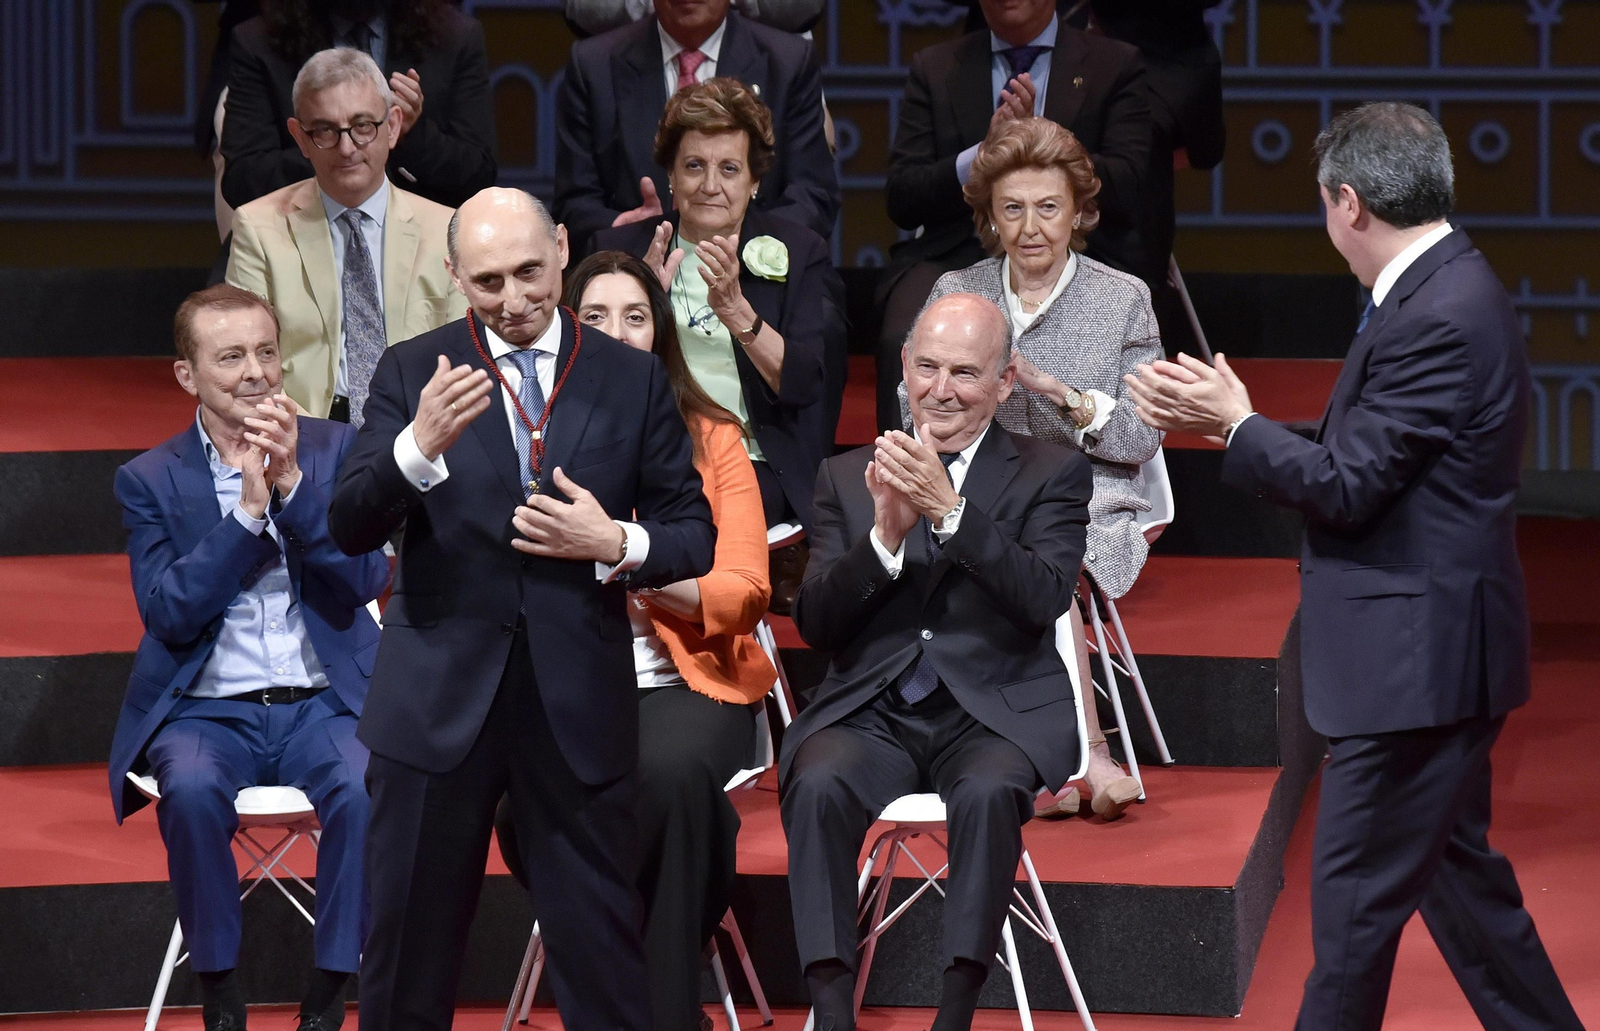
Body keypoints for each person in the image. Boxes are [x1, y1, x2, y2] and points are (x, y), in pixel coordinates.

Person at [1126, 102, 1584, 1031]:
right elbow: (1372, 455)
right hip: (1432, 661)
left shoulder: (1437, 313)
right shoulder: (1441, 288)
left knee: (1349, 934)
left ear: (1348, 202)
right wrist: (1242, 420)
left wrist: (1236, 426)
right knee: (1469, 905)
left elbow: (1348, 484)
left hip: (1413, 675)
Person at [328, 187, 716, 1031]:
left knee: (604, 964)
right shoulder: (410, 369)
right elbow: (350, 522)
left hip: (576, 709)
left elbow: (694, 536)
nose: (513, 300)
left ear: (565, 249)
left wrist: (612, 540)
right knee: (405, 963)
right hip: (433, 707)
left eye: (530, 273)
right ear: (455, 276)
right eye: (489, 281)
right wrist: (415, 448)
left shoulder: (631, 376)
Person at [781, 293, 1091, 1031]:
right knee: (818, 779)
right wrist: (883, 540)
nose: (941, 389)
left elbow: (1044, 595)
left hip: (994, 709)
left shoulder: (1052, 471)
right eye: (926, 367)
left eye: (964, 371)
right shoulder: (847, 475)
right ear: (903, 368)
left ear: (1005, 380)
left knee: (987, 794)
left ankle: (955, 1010)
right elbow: (817, 624)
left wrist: (950, 512)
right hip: (873, 713)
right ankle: (831, 1010)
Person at [495, 250, 774, 1031]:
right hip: (559, 681)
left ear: (662, 333)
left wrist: (620, 551)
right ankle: (653, 976)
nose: (617, 334)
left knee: (672, 777)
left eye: (636, 316)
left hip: (685, 682)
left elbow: (744, 590)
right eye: (595, 318)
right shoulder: (529, 433)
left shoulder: (713, 436)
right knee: (529, 799)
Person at [109, 284, 390, 1031]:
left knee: (366, 788)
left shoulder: (333, 449)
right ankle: (222, 993)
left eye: (267, 351)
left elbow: (368, 578)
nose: (257, 371)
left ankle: (329, 996)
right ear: (188, 375)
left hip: (323, 698)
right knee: (193, 791)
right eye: (230, 356)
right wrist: (247, 516)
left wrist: (294, 487)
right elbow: (168, 610)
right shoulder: (150, 478)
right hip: (207, 706)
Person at [908, 117, 1155, 819]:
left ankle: (1088, 753)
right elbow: (912, 403)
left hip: (1085, 495)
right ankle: (1026, 757)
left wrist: (1056, 393)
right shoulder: (961, 287)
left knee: (1044, 562)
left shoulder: (1122, 298)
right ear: (989, 215)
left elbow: (1140, 434)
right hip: (972, 487)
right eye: (1012, 208)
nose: (1032, 226)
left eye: (1049, 207)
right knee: (974, 543)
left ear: (1080, 211)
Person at [594, 77, 840, 611]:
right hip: (646, 453)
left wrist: (738, 313)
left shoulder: (798, 251)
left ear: (755, 181)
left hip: (750, 461)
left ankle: (696, 630)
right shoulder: (623, 252)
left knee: (693, 512)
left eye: (729, 168)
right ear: (670, 177)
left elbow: (802, 384)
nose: (710, 184)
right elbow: (587, 377)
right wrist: (643, 315)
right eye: (694, 166)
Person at [875, 0, 1152, 431]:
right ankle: (910, 470)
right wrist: (983, 155)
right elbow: (903, 197)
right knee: (903, 333)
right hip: (956, 251)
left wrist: (1040, 142)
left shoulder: (1113, 63)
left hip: (1078, 248)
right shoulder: (936, 65)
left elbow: (1131, 183)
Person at [227, 47, 466, 426]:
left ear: (392, 127)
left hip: (421, 429)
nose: (346, 147)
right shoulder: (258, 228)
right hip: (304, 431)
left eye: (362, 126)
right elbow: (245, 366)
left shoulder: (447, 228)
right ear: (300, 138)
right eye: (325, 130)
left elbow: (465, 361)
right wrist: (311, 443)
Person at [555, 0, 840, 258]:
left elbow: (813, 196)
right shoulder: (594, 64)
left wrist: (747, 241)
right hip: (632, 270)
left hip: (759, 272)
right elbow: (574, 204)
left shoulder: (788, 61)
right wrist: (626, 232)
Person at [221, 0, 496, 213]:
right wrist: (338, 150)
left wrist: (410, 135)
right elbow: (242, 182)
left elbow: (478, 177)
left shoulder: (456, 37)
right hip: (295, 236)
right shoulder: (258, 42)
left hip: (424, 249)